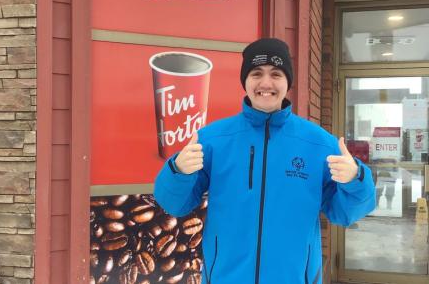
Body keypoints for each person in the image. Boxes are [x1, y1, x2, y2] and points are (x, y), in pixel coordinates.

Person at [154, 38, 376, 284]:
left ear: (287, 82)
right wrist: (177, 170)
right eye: (256, 73)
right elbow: (175, 204)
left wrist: (356, 179)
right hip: (226, 277)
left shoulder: (319, 144)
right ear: (245, 82)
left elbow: (344, 213)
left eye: (276, 74)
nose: (266, 83)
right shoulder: (213, 139)